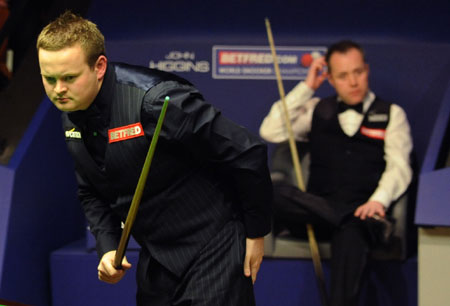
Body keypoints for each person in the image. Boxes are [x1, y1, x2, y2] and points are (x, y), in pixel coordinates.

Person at [37, 11, 272, 306]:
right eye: (49, 78)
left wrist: (256, 232)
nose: (58, 90)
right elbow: (92, 192)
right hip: (158, 258)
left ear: (99, 67)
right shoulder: (70, 116)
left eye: (69, 78)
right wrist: (108, 247)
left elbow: (247, 151)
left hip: (214, 247)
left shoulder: (155, 102)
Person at [260, 40, 413, 306]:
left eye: (358, 72)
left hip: (365, 214)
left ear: (367, 69)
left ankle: (349, 219)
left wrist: (378, 201)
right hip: (317, 214)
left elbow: (399, 166)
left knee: (352, 231)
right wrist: (307, 88)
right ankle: (345, 217)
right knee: (271, 190)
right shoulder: (317, 109)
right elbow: (270, 130)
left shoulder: (391, 114)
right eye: (343, 75)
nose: (353, 82)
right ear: (329, 78)